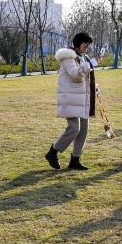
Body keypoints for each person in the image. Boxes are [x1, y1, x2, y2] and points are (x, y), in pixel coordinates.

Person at [45, 32, 97, 171]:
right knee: (74, 128)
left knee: (83, 130)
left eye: (88, 44)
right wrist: (91, 64)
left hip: (81, 98)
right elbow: (75, 74)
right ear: (78, 43)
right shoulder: (68, 57)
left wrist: (94, 87)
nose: (87, 47)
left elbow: (85, 77)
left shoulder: (83, 57)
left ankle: (75, 159)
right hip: (70, 98)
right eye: (85, 44)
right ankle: (53, 152)